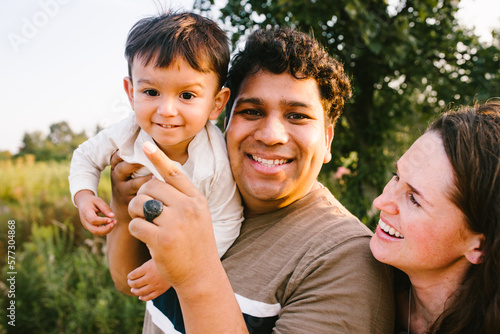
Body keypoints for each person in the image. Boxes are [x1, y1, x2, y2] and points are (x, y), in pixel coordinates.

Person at [108, 27, 395, 333]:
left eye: (297, 116)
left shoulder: (343, 260)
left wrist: (195, 275)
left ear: (327, 140)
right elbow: (133, 282)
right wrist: (123, 207)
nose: (271, 135)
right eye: (252, 111)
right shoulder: (193, 191)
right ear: (223, 121)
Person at [69, 12, 243, 302]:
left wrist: (174, 268)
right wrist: (84, 196)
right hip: (138, 243)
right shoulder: (128, 131)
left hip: (194, 267)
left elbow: (227, 223)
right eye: (151, 91)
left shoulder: (216, 160)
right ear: (131, 92)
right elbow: (85, 156)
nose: (166, 110)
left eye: (187, 96)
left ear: (216, 104)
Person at [370, 102, 500, 334]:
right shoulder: (363, 287)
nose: (380, 202)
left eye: (414, 200)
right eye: (396, 177)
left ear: (479, 246)